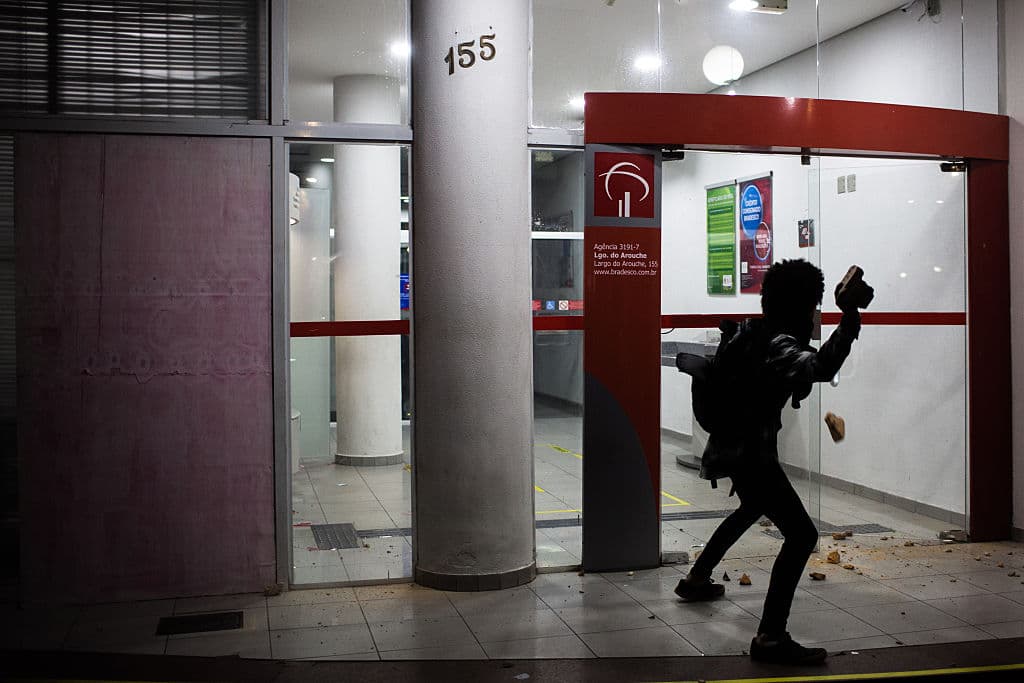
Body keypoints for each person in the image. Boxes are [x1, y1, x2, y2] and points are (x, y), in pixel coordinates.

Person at [674, 259, 866, 665]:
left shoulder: (750, 330)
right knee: (801, 536)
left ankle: (696, 579)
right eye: (813, 304)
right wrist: (849, 319)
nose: (815, 312)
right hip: (751, 454)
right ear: (800, 304)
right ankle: (771, 637)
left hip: (733, 446)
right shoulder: (778, 341)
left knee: (751, 507)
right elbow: (820, 366)